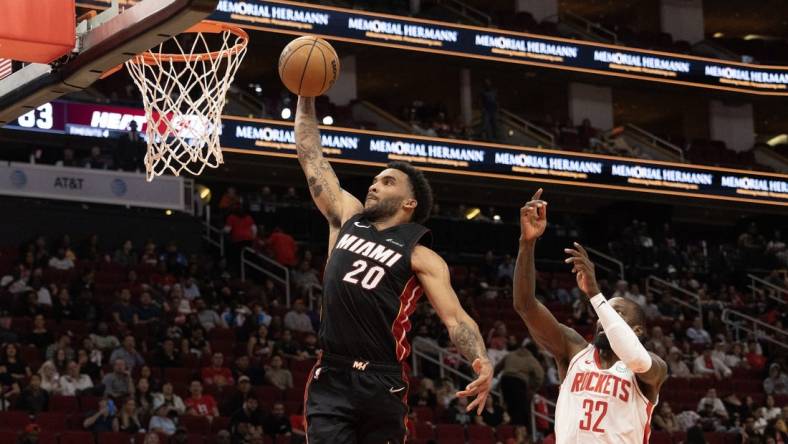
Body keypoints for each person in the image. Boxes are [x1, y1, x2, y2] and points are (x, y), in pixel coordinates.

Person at [294, 96, 492, 443]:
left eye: (387, 182)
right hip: (333, 373)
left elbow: (456, 320)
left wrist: (481, 361)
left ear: (409, 203)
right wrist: (305, 94)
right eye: (374, 179)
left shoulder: (421, 256)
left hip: (382, 379)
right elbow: (311, 156)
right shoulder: (347, 217)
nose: (373, 185)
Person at [512, 189, 667, 443]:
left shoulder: (654, 369)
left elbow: (637, 359)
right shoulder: (573, 349)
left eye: (614, 312)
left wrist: (596, 295)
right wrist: (526, 243)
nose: (602, 318)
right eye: (601, 313)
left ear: (637, 330)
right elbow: (525, 306)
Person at [497, 344, 544, 426]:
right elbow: (540, 376)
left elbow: (498, 367)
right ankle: (519, 429)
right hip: (518, 383)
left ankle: (510, 427)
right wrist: (532, 388)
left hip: (505, 380)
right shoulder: (531, 359)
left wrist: (490, 378)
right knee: (520, 409)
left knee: (508, 406)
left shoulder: (510, 355)